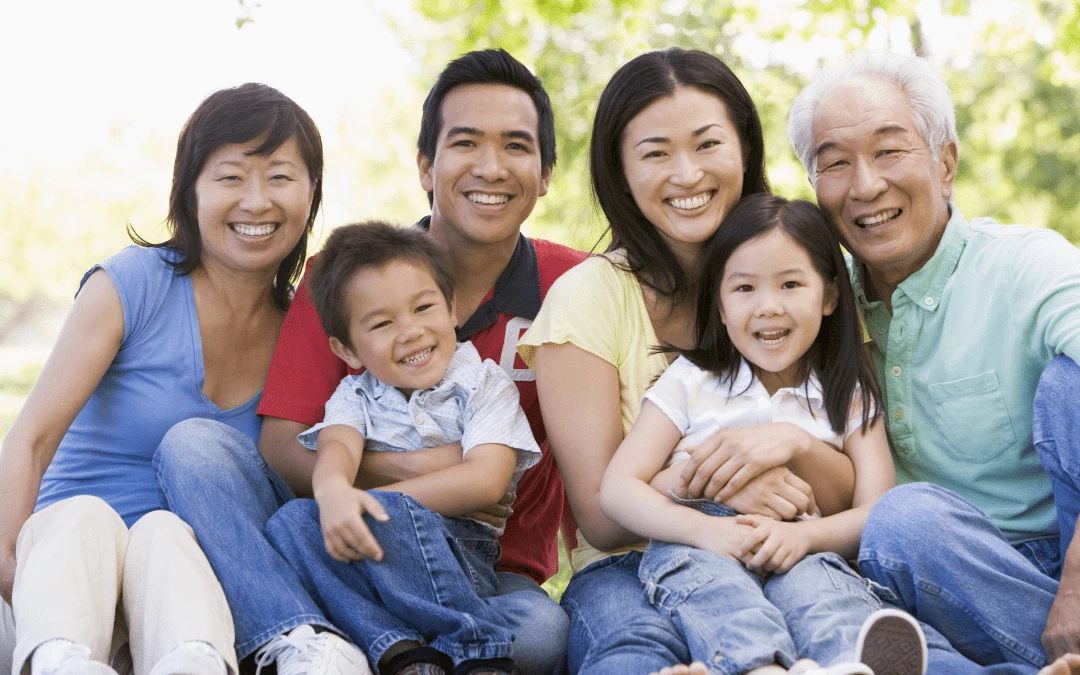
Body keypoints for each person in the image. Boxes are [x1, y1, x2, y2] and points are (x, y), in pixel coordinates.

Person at [154, 49, 585, 675]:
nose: (490, 167)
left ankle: (372, 642)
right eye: (465, 143)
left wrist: (415, 483)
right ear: (426, 167)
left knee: (541, 635)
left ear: (545, 172)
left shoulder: (574, 286)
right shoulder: (344, 274)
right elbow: (282, 445)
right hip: (343, 543)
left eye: (516, 146)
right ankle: (301, 635)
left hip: (481, 573)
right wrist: (422, 471)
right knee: (196, 448)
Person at [517, 47, 864, 675]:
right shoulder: (588, 298)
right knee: (637, 652)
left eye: (707, 145)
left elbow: (853, 490)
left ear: (744, 149)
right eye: (655, 153)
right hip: (632, 563)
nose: (686, 174)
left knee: (837, 626)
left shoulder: (794, 276)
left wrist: (785, 444)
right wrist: (729, 488)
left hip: (792, 548)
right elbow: (600, 513)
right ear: (620, 171)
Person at [0, 83, 324, 675]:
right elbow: (30, 438)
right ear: (189, 192)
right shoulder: (132, 285)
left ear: (311, 195)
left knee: (168, 534)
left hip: (185, 591)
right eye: (230, 177)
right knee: (86, 520)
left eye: (280, 177)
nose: (256, 201)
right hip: (64, 574)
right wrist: (10, 566)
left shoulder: (306, 333)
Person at [787, 50, 1080, 675]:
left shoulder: (1024, 264)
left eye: (889, 151)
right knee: (901, 527)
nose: (864, 185)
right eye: (835, 163)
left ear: (945, 164)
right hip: (928, 574)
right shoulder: (813, 297)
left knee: (1070, 385)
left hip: (1064, 554)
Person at [599, 193, 930, 675]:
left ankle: (849, 664)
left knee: (825, 594)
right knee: (724, 599)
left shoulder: (849, 392)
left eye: (791, 284)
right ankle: (760, 668)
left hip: (801, 541)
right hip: (700, 543)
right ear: (721, 303)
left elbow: (877, 510)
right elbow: (617, 488)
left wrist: (807, 539)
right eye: (745, 289)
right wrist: (708, 530)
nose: (768, 307)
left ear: (830, 296)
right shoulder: (692, 381)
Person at [264, 220, 542, 675]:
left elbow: (486, 480)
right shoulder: (355, 396)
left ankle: (476, 652)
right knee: (291, 522)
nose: (410, 331)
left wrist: (372, 505)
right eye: (382, 323)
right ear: (348, 350)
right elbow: (337, 448)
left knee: (539, 628)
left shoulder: (484, 382)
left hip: (460, 556)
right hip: (369, 559)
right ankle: (402, 653)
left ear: (452, 308)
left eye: (423, 308)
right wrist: (334, 493)